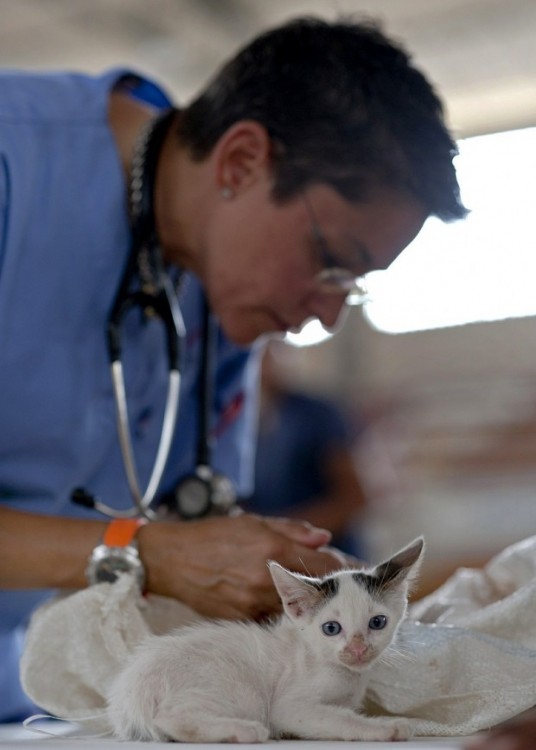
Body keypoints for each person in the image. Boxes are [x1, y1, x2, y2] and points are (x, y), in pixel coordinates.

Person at [0, 16, 467, 721]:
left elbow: (195, 509)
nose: (329, 314)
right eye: (331, 264)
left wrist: (264, 569)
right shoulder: (16, 167)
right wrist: (141, 552)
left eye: (354, 286)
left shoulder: (224, 296)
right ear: (241, 162)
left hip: (51, 700)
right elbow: (155, 544)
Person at [246, 341, 368, 557]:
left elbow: (352, 499)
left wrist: (284, 532)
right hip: (277, 559)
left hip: (329, 557)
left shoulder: (317, 414)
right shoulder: (238, 422)